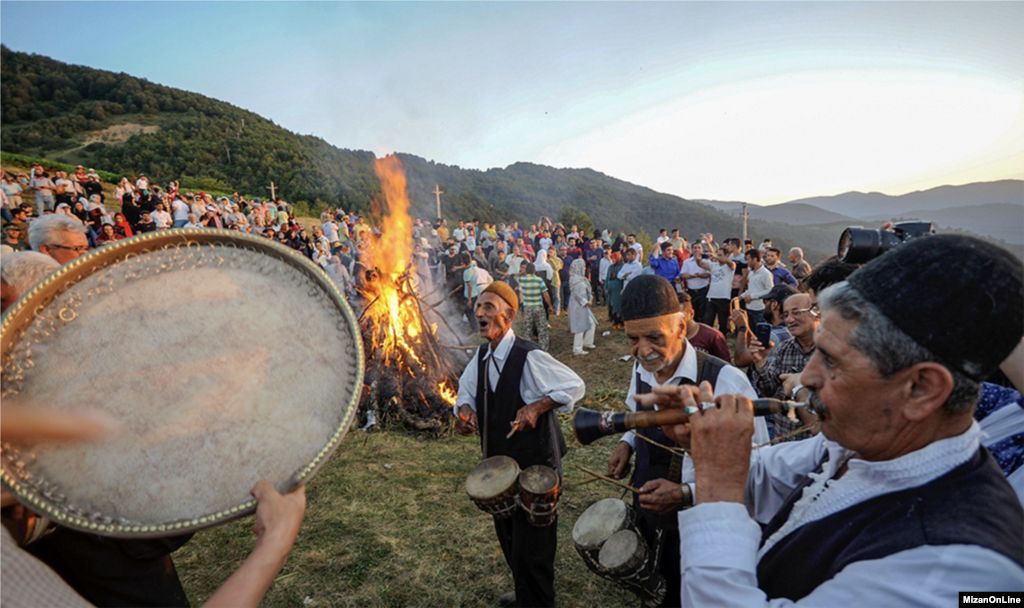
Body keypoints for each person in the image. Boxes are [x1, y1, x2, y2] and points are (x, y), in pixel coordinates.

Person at [648, 234, 1024, 607]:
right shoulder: (864, 441)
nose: (808, 378)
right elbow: (767, 476)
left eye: (832, 360)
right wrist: (704, 443)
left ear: (921, 389)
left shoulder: (954, 566)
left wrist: (715, 491)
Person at [607, 275, 769, 608]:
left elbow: (760, 472)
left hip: (702, 527)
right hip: (651, 510)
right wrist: (626, 440)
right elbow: (635, 409)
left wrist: (685, 493)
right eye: (632, 339)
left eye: (654, 336)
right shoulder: (643, 368)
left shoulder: (727, 382)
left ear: (682, 326)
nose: (643, 350)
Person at [453, 282, 585, 608]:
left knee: (534, 550)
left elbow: (574, 385)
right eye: (479, 306)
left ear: (509, 315)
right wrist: (465, 414)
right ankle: (527, 595)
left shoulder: (530, 356)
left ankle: (537, 598)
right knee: (510, 540)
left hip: (536, 469)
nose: (480, 313)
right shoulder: (482, 355)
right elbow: (466, 393)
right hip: (500, 468)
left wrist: (537, 407)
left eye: (488, 307)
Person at [749, 291, 820, 441]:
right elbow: (768, 390)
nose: (789, 320)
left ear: (816, 312)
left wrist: (793, 391)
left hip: (820, 444)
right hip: (786, 441)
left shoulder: (832, 350)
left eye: (796, 313)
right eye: (785, 315)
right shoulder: (784, 348)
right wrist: (760, 361)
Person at [516, 263, 551, 351]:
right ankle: (543, 350)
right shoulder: (539, 280)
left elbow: (515, 277)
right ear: (535, 271)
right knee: (542, 330)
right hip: (538, 307)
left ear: (526, 270)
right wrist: (550, 305)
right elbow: (545, 294)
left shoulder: (521, 279)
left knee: (528, 331)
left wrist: (522, 272)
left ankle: (529, 350)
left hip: (527, 308)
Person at [568, 258, 598, 356]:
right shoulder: (574, 279)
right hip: (577, 305)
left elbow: (587, 289)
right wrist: (585, 302)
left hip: (584, 305)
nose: (585, 268)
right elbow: (576, 294)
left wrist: (590, 298)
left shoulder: (582, 278)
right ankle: (577, 349)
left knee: (591, 322)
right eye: (583, 266)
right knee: (579, 326)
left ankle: (588, 342)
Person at [739, 248, 772, 327]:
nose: (747, 262)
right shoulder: (751, 273)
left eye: (748, 259)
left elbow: (770, 290)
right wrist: (741, 296)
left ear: (755, 259)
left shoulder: (765, 273)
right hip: (749, 307)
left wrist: (752, 296)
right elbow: (751, 289)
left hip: (759, 309)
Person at [680, 242, 711, 320]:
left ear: (702, 250)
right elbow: (683, 274)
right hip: (691, 291)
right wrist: (691, 276)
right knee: (693, 313)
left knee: (703, 313)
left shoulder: (707, 261)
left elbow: (709, 274)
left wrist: (699, 275)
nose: (697, 249)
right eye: (695, 248)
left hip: (703, 290)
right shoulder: (687, 262)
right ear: (691, 250)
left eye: (699, 248)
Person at [605, 251, 625, 329]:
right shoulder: (611, 267)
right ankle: (614, 321)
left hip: (618, 289)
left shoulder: (623, 266)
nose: (613, 260)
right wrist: (606, 287)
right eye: (612, 258)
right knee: (611, 305)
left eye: (614, 258)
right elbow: (607, 278)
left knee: (618, 306)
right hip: (611, 290)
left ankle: (620, 322)